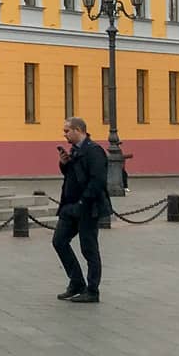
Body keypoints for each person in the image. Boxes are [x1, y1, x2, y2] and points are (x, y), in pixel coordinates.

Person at [53, 116, 112, 304]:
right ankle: (76, 282)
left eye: (67, 131)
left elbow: (98, 180)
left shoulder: (94, 151)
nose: (65, 135)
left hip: (87, 208)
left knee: (89, 249)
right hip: (70, 207)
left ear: (78, 130)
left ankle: (92, 290)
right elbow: (72, 175)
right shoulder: (75, 151)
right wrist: (64, 163)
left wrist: (83, 202)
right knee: (59, 241)